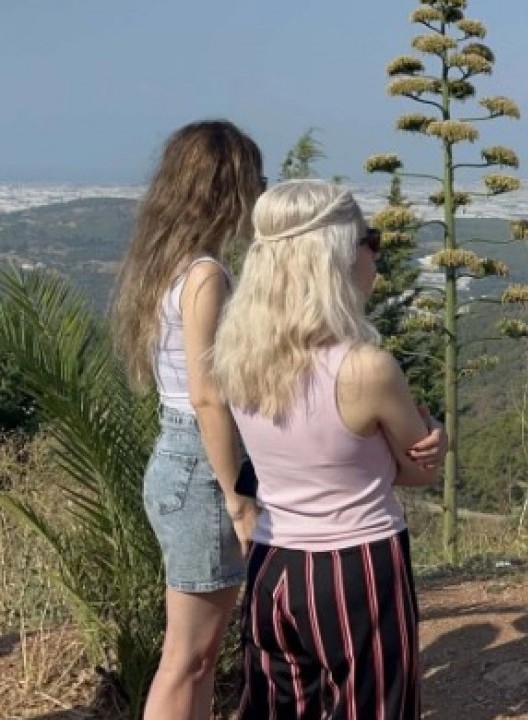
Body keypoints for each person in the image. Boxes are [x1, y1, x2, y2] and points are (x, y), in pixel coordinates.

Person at [213, 180, 441, 719]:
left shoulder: (236, 356)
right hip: (356, 563)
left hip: (272, 563)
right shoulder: (365, 368)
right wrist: (437, 440)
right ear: (337, 255)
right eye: (371, 239)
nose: (376, 254)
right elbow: (417, 472)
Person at [109, 119, 264, 720]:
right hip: (201, 470)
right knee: (189, 659)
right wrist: (238, 497)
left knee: (197, 658)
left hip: (178, 462)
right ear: (227, 187)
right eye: (253, 179)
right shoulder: (206, 275)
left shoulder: (166, 265)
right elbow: (208, 398)